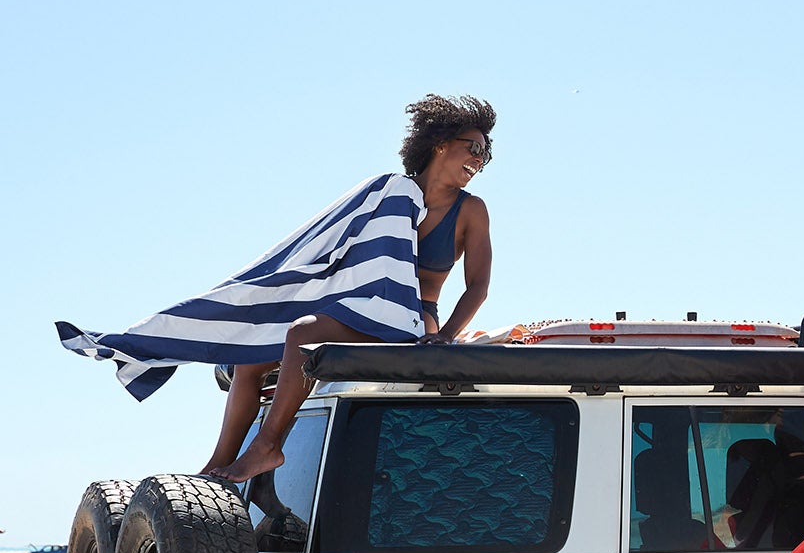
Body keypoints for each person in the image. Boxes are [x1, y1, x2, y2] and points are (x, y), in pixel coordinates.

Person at [57, 94, 494, 483]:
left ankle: (268, 446)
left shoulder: (470, 210)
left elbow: (477, 286)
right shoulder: (387, 194)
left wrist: (445, 336)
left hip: (414, 319)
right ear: (440, 143)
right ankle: (218, 467)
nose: (479, 159)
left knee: (303, 333)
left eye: (486, 154)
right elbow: (326, 249)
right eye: (473, 147)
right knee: (248, 361)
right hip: (351, 308)